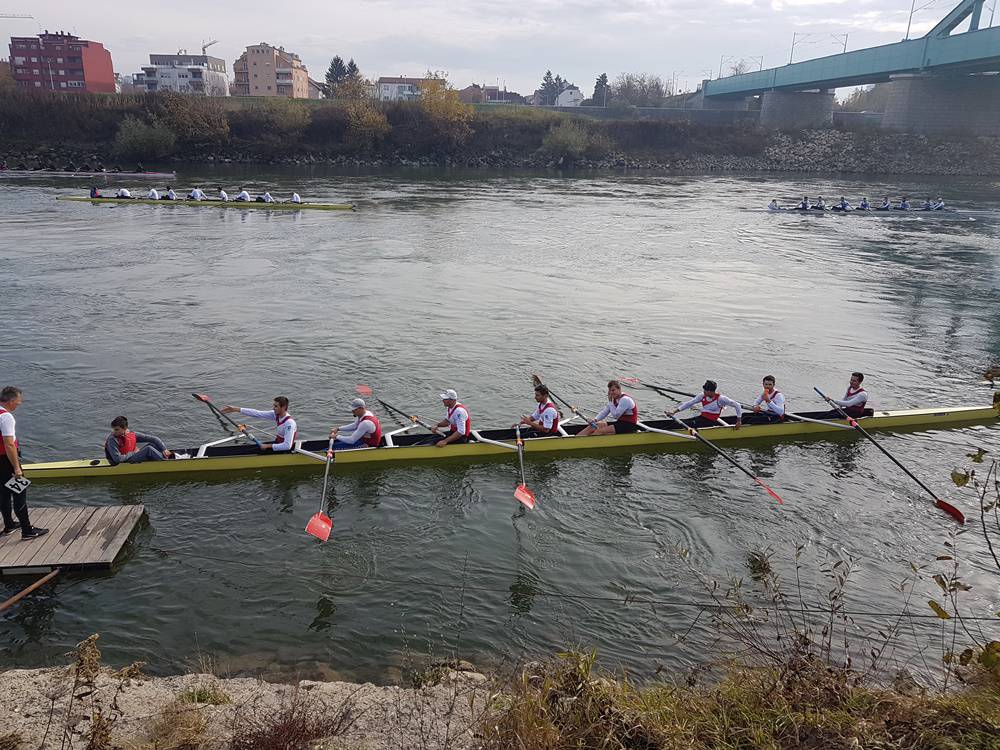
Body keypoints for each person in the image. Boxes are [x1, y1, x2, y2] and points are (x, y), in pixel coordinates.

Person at [0, 386, 47, 540]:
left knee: (3, 494)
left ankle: (9, 525)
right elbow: (9, 444)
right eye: (18, 402)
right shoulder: (6, 417)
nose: (18, 405)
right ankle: (27, 530)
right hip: (7, 461)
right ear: (11, 401)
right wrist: (16, 468)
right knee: (19, 492)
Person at [220, 397, 297, 451]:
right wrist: (235, 409)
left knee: (251, 450)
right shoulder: (276, 414)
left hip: (284, 449)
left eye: (276, 406)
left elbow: (287, 446)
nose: (273, 408)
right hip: (278, 444)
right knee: (250, 448)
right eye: (273, 406)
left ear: (283, 407)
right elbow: (257, 413)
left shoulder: (289, 423)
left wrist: (267, 446)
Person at [667, 380, 742, 429]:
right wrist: (674, 411)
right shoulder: (702, 395)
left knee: (680, 425)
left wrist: (738, 421)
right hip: (701, 418)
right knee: (681, 422)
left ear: (710, 391)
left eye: (705, 390)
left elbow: (737, 405)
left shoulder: (721, 399)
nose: (704, 392)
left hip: (710, 422)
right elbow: (690, 403)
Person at [104, 416, 173, 465]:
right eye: (113, 429)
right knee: (149, 449)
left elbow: (154, 438)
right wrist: (133, 453)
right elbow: (117, 459)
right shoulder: (112, 440)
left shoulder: (131, 434)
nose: (114, 431)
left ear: (125, 428)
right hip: (122, 462)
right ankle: (168, 463)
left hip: (131, 456)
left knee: (153, 444)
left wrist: (164, 449)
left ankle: (165, 455)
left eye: (116, 429)